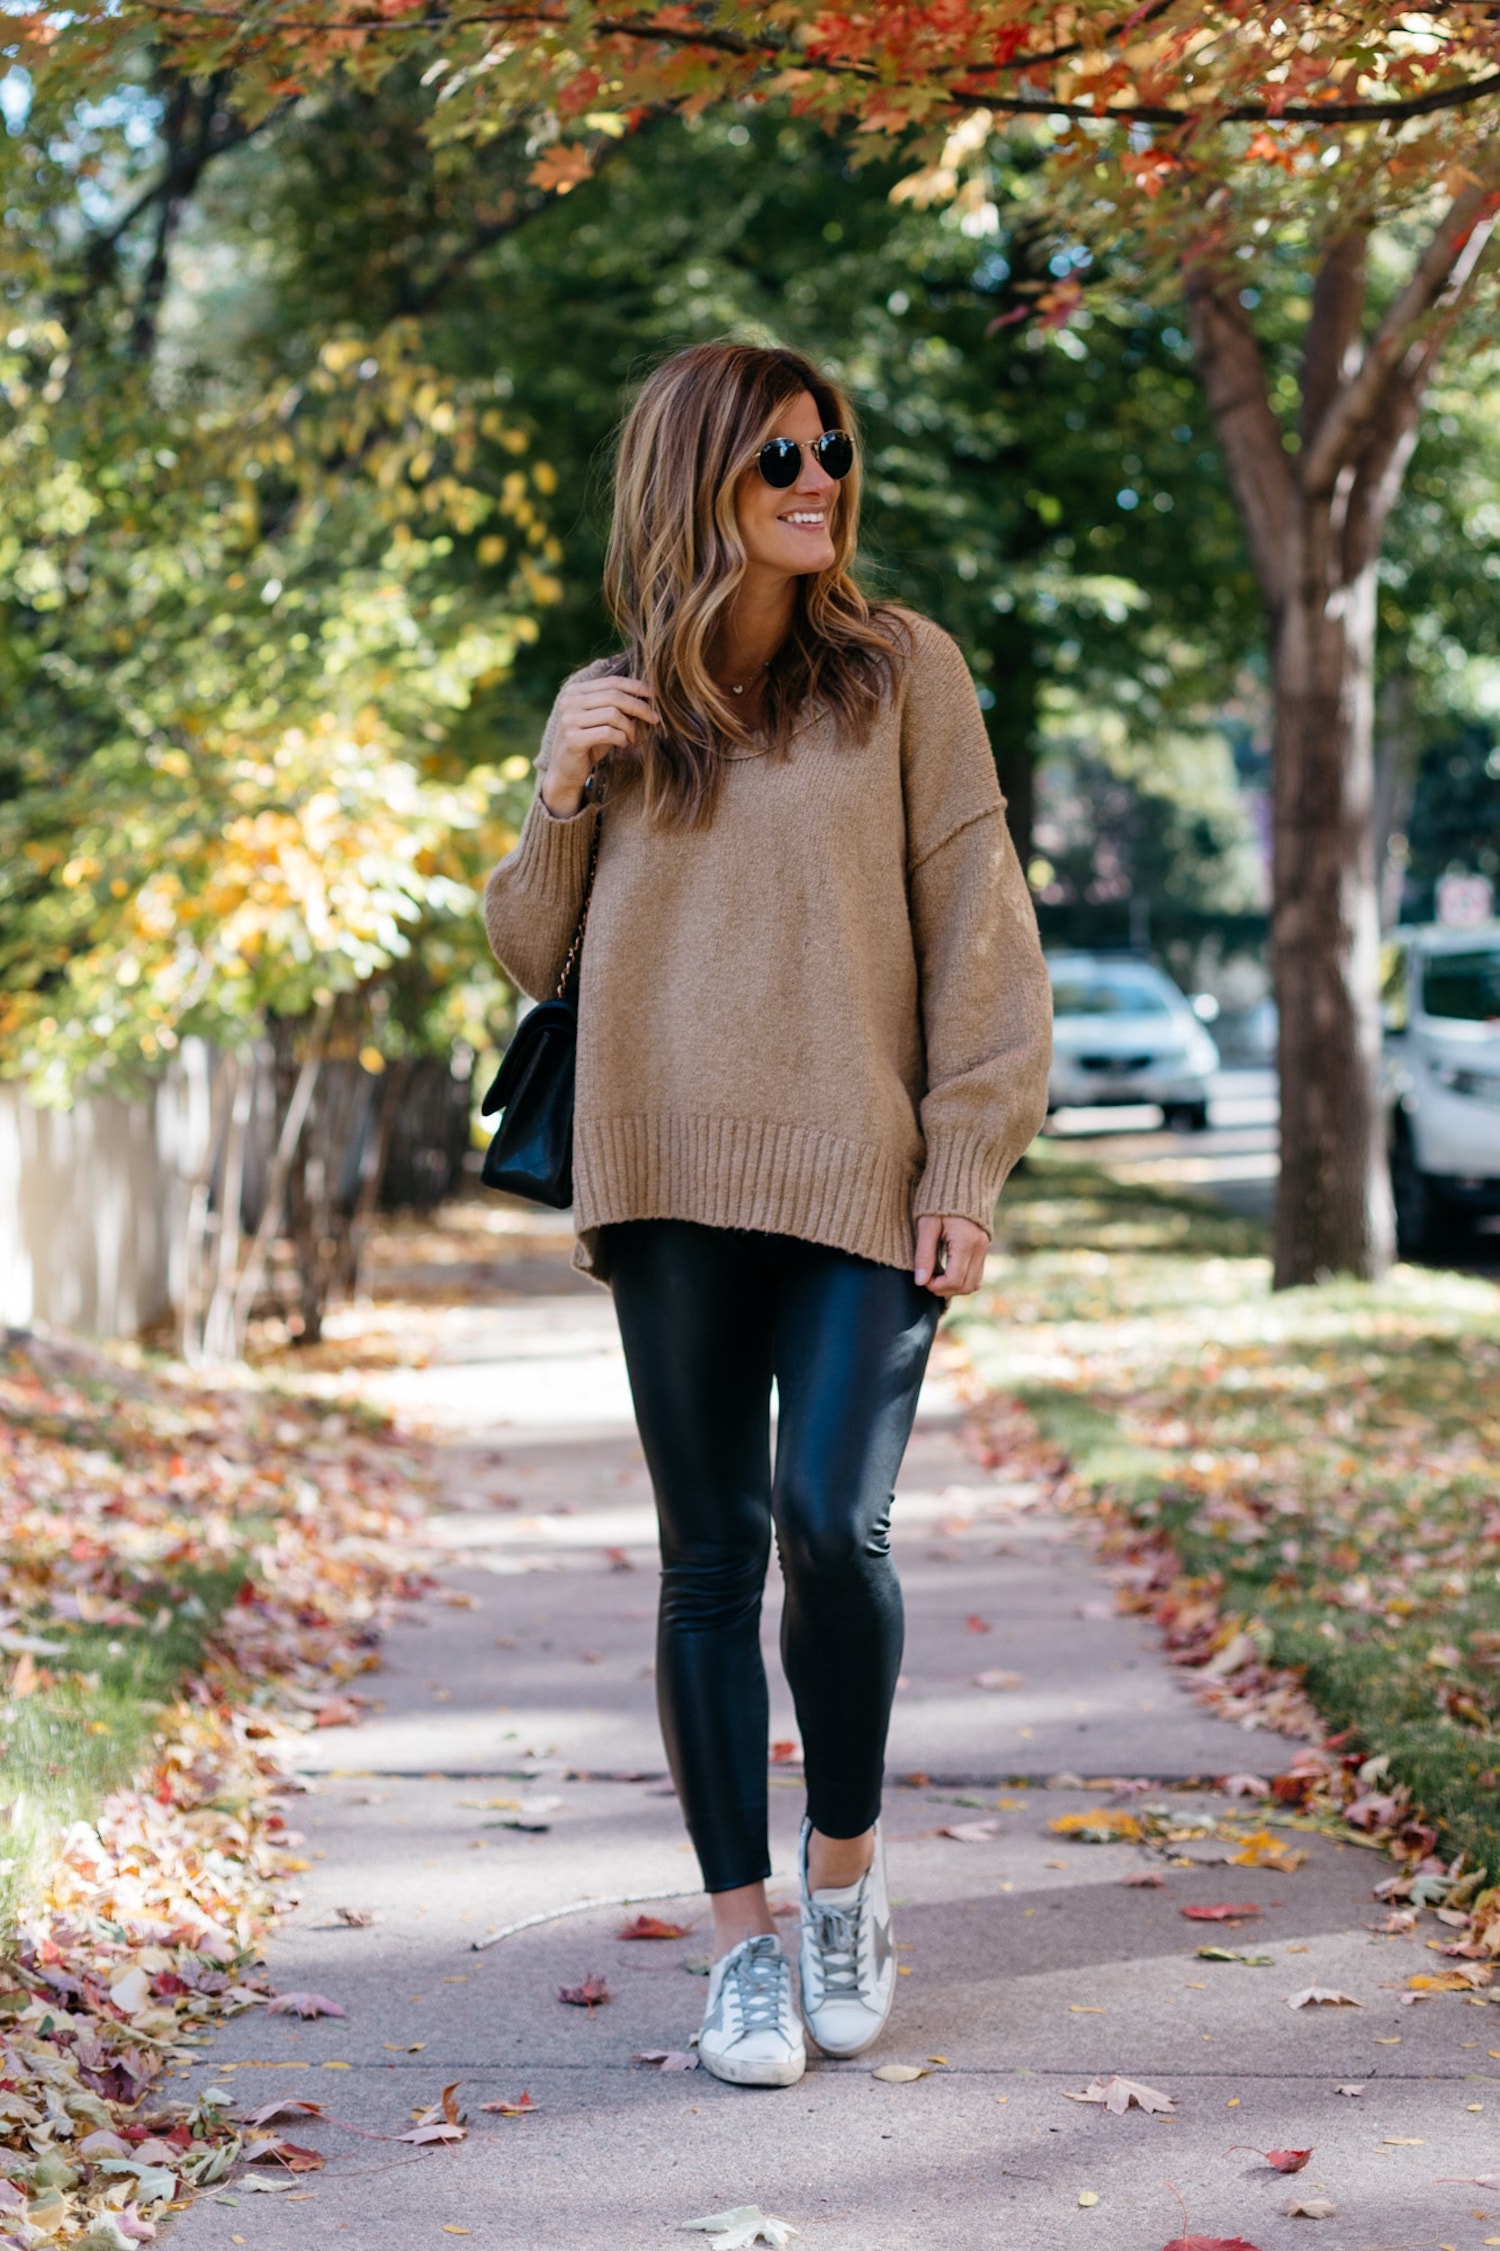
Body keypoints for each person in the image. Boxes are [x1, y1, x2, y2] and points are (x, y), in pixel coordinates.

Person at [484, 340, 1051, 2089]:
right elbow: (526, 950)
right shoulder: (617, 706)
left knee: (836, 1525)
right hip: (663, 1181)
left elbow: (980, 931)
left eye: (832, 450)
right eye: (779, 455)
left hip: (860, 1181)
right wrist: (557, 789)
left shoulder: (902, 675)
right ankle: (742, 1947)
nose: (819, 478)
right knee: (711, 1558)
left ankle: (845, 1888)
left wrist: (966, 1164)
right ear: (697, 478)